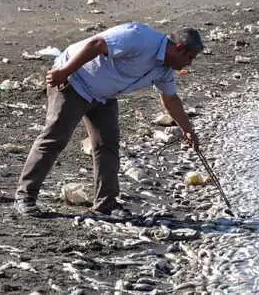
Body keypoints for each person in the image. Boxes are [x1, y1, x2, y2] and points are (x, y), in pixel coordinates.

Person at [14, 22, 203, 217]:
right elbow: (97, 44)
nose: (189, 64)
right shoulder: (140, 37)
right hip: (74, 81)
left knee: (107, 145)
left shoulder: (164, 70)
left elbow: (171, 99)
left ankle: (106, 203)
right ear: (179, 48)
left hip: (103, 97)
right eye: (189, 58)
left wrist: (188, 130)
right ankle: (25, 197)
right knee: (55, 138)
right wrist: (65, 71)